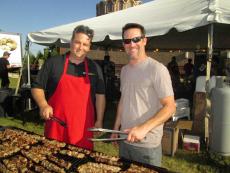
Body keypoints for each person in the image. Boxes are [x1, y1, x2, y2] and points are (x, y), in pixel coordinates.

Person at [31, 25, 106, 150]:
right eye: (77, 42)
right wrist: (43, 105)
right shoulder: (53, 63)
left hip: (83, 128)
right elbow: (37, 86)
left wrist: (99, 120)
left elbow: (100, 96)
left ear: (89, 47)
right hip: (56, 125)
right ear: (71, 42)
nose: (81, 47)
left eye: (85, 44)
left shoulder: (95, 68)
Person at [111, 23, 176, 167]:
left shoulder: (157, 69)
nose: (132, 44)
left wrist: (144, 128)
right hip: (124, 139)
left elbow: (170, 107)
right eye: (127, 41)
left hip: (146, 145)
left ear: (144, 40)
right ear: (123, 44)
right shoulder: (125, 70)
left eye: (136, 39)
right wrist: (116, 128)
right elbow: (123, 100)